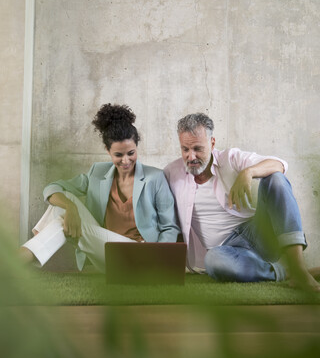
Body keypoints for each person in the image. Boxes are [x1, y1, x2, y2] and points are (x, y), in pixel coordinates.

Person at [164, 113, 320, 292]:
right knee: (213, 261)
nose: (191, 157)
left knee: (275, 179)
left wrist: (249, 172)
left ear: (212, 143)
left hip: (257, 236)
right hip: (225, 252)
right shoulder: (172, 173)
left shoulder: (230, 158)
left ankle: (298, 267)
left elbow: (279, 164)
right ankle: (288, 272)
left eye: (197, 149)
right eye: (185, 149)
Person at [20, 104, 180, 273]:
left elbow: (170, 227)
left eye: (131, 153)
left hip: (141, 256)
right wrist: (71, 207)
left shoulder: (155, 177)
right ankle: (20, 260)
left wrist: (160, 261)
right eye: (119, 155)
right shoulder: (97, 172)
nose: (126, 161)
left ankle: (19, 260)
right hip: (105, 254)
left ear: (136, 147)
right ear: (108, 151)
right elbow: (53, 187)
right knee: (63, 203)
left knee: (61, 217)